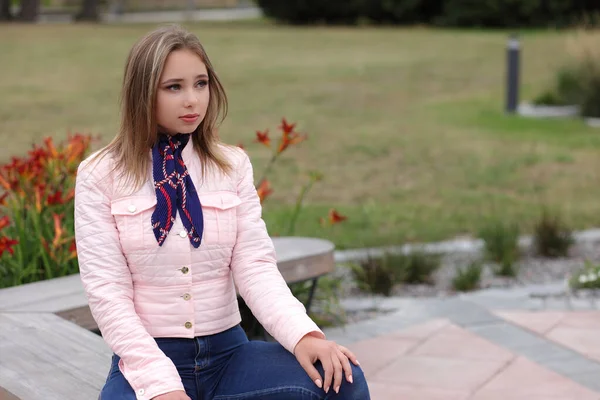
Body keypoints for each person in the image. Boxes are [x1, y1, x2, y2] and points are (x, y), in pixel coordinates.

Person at [74, 25, 370, 400]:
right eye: (174, 87)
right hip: (146, 358)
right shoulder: (100, 175)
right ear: (142, 93)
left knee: (342, 379)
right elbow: (107, 292)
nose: (192, 101)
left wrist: (304, 335)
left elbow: (255, 266)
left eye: (201, 84)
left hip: (229, 356)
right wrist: (160, 385)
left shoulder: (231, 165)